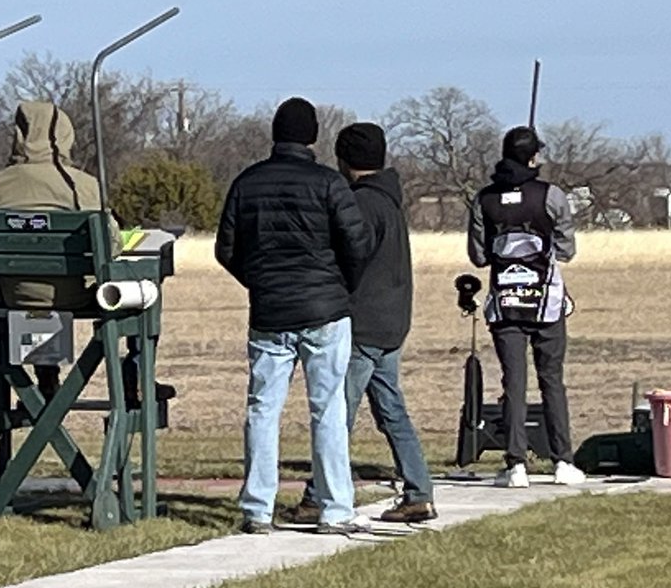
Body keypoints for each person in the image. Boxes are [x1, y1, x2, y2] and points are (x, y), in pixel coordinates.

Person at [215, 98, 373, 534]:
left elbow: (225, 249)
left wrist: (260, 282)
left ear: (274, 135)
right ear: (313, 136)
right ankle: (336, 509)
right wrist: (341, 287)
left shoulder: (247, 183)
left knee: (263, 409)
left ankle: (258, 509)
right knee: (328, 409)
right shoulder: (328, 184)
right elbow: (356, 245)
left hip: (270, 312)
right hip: (325, 310)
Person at [291, 123, 436, 524]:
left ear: (344, 160)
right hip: (392, 322)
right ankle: (418, 490)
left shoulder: (361, 205)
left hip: (363, 326)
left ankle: (318, 497)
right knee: (391, 410)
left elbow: (347, 258)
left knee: (336, 414)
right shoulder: (389, 200)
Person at [468, 126, 586, 488]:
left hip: (505, 306)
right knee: (552, 380)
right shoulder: (551, 196)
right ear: (533, 157)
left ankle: (515, 464)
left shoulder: (484, 199)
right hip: (547, 305)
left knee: (513, 383)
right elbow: (567, 250)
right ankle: (563, 461)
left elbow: (478, 256)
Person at [0, 101, 120, 401]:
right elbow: (111, 245)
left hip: (14, 293)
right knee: (139, 302)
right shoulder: (81, 185)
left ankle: (45, 380)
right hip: (71, 294)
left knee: (34, 294)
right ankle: (129, 382)